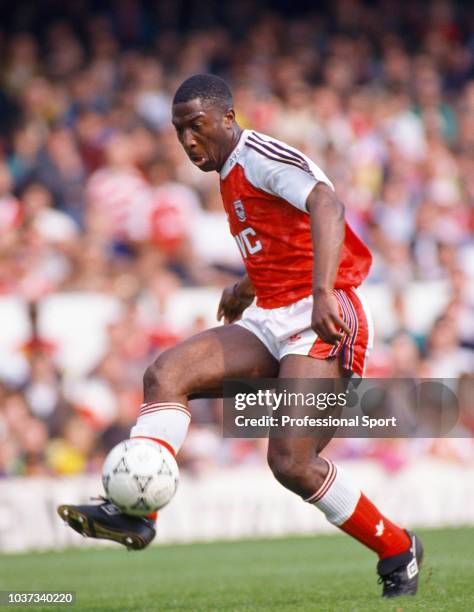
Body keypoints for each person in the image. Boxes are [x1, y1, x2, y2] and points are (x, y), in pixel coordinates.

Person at [58, 74, 423, 598]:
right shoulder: (228, 169)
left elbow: (327, 205)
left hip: (322, 314)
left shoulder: (258, 154)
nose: (187, 141)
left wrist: (321, 292)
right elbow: (283, 237)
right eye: (179, 130)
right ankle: (137, 513)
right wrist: (246, 285)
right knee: (165, 374)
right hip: (271, 314)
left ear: (228, 118)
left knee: (292, 463)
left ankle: (397, 548)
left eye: (197, 127)